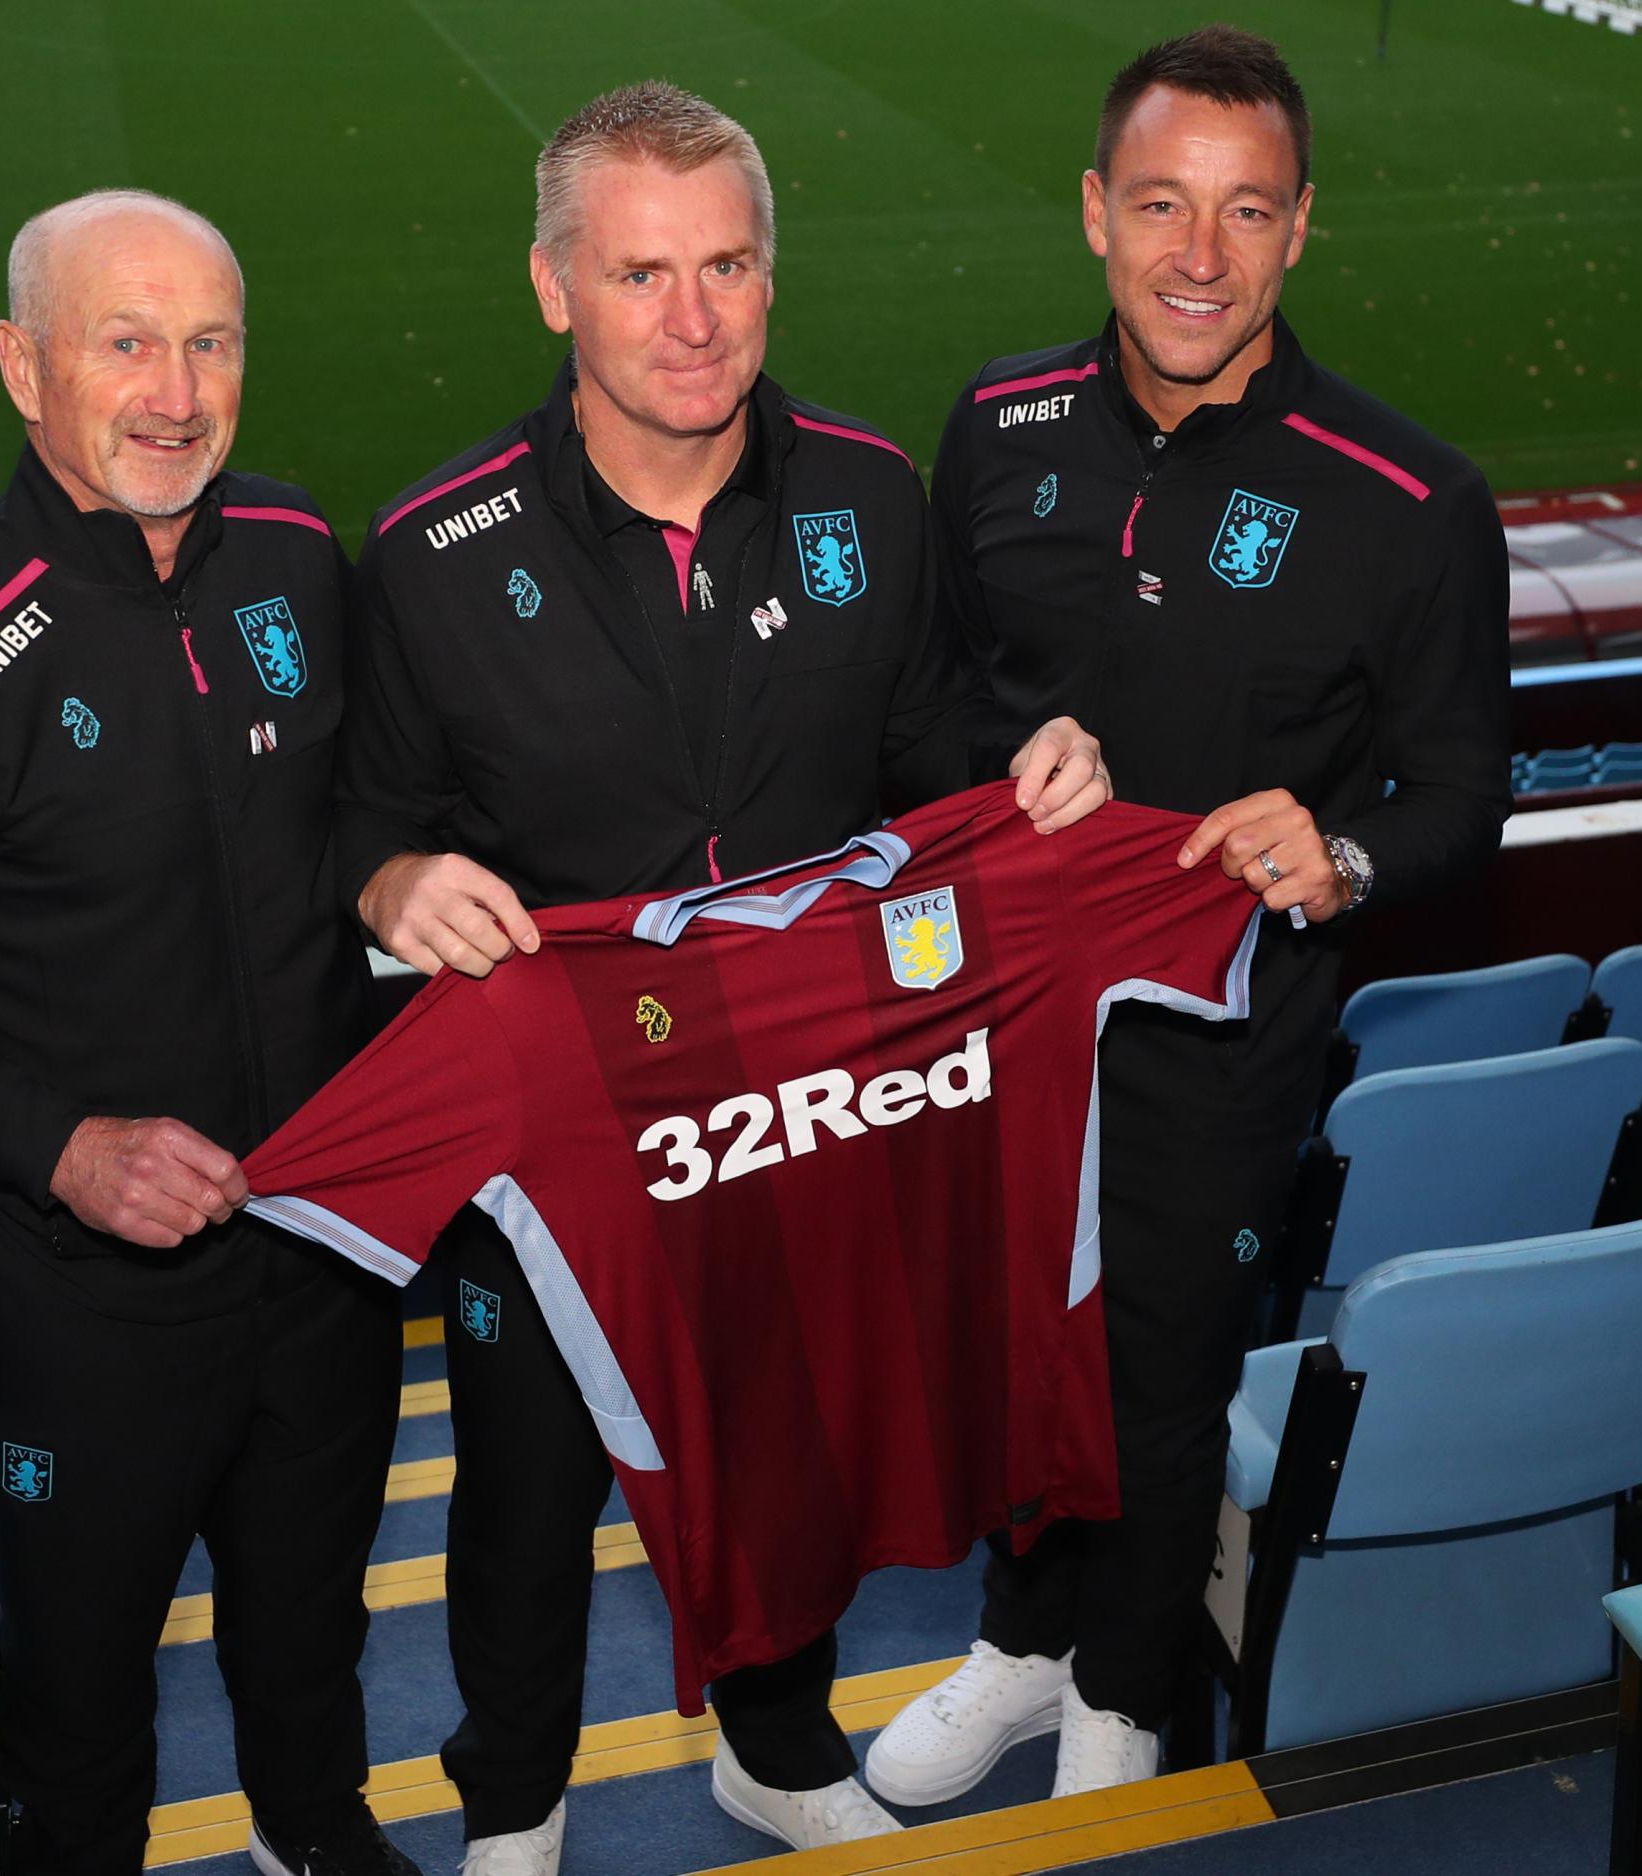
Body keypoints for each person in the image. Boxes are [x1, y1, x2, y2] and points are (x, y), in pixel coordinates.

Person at [339, 82, 1106, 1874]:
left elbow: (929, 738)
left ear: (771, 274)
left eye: (729, 267)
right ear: (554, 290)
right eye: (641, 274)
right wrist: (390, 877)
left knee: (787, 1441)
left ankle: (773, 1749)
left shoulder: (867, 493)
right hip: (562, 1148)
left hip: (798, 1106)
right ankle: (514, 1810)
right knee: (526, 1496)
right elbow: (365, 820)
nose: (693, 321)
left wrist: (1031, 765)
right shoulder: (435, 554)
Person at [864, 24, 1511, 1807]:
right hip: (997, 1024)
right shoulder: (994, 430)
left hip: (1225, 1047)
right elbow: (927, 708)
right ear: (1095, 211)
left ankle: (1124, 1693)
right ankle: (1018, 1641)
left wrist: (1346, 855)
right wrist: (1009, 753)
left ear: (1301, 229)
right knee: (1014, 1348)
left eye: (1244, 212)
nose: (1197, 256)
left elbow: (1464, 802)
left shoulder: (1411, 502)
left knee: (1156, 1379)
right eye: (1161, 203)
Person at [0, 189, 417, 1876]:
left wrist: (393, 876)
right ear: (20, 365)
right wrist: (62, 1147)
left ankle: (316, 1832)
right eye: (126, 343)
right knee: (84, 1698)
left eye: (210, 343)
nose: (176, 393)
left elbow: (320, 824)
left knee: (312, 1627)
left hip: (324, 1256)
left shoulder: (290, 555)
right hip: (86, 1306)